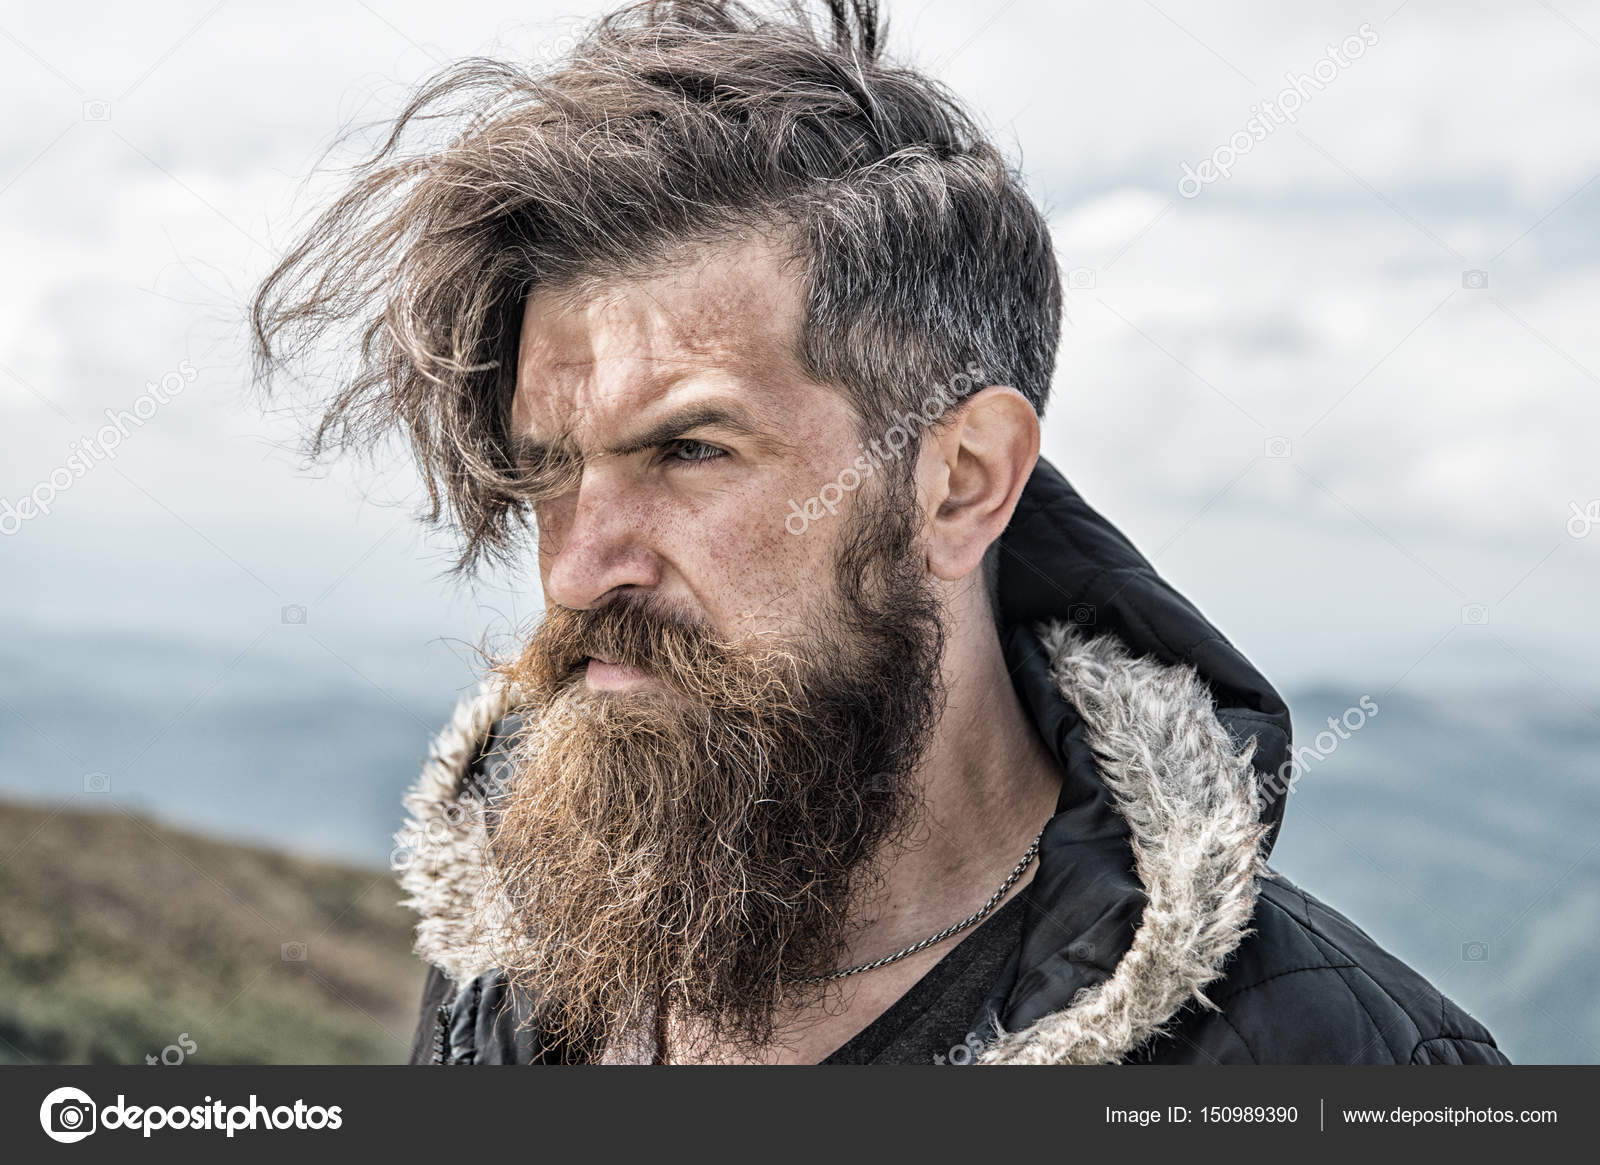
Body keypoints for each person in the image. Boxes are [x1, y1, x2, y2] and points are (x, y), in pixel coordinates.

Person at [252, 0, 1507, 1065]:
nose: (580, 564)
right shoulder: (521, 944)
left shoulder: (1344, 1061)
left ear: (961, 482)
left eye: (690, 451)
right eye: (550, 469)